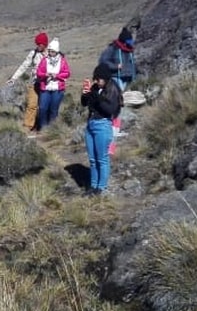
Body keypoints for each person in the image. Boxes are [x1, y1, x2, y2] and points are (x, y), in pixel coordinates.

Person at [81, 64, 123, 196]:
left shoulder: (113, 89)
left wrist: (95, 97)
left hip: (103, 125)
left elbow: (109, 109)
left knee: (102, 158)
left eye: (98, 79)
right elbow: (84, 103)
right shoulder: (95, 88)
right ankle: (93, 186)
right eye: (95, 79)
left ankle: (101, 187)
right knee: (93, 159)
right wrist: (85, 95)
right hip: (91, 124)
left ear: (105, 78)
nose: (96, 81)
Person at [98, 27, 136, 153]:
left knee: (119, 107)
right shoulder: (113, 48)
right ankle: (109, 138)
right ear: (125, 40)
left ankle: (114, 131)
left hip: (126, 80)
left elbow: (132, 64)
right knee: (115, 105)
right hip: (115, 79)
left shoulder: (129, 50)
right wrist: (115, 66)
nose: (131, 42)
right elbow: (102, 61)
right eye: (129, 40)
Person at [5, 32, 48, 134]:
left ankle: (44, 127)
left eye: (40, 44)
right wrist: (14, 78)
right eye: (37, 44)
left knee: (44, 106)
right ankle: (28, 126)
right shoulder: (33, 54)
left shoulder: (51, 54)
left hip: (47, 84)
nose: (38, 46)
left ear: (45, 44)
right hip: (34, 82)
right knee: (31, 105)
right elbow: (24, 66)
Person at [35, 39, 71, 128]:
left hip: (58, 89)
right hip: (45, 87)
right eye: (49, 51)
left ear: (56, 51)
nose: (50, 52)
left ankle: (52, 128)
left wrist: (57, 76)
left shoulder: (62, 61)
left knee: (53, 110)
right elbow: (39, 72)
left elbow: (67, 73)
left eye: (52, 51)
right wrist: (45, 74)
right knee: (43, 108)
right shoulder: (44, 60)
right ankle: (43, 127)